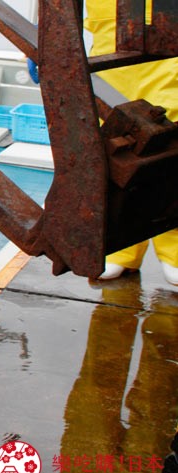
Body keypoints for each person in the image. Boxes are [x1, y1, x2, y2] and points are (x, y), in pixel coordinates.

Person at [83, 2, 178, 284]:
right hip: (109, 36)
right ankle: (118, 247)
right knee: (113, 140)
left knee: (170, 133)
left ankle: (174, 249)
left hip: (170, 33)